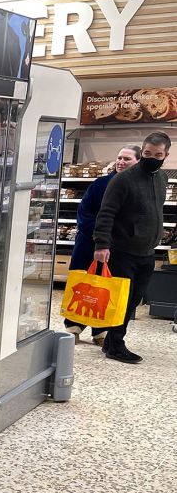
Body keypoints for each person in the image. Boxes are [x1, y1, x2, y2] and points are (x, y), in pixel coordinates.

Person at [93, 131, 170, 364]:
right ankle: (116, 344)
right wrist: (102, 244)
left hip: (147, 251)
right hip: (123, 250)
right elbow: (106, 213)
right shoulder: (123, 179)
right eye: (147, 153)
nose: (152, 158)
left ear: (166, 154)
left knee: (135, 299)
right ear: (142, 151)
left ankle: (111, 340)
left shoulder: (162, 178)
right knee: (122, 300)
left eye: (158, 155)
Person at [64, 145, 140, 346]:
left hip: (118, 247)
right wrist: (100, 236)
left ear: (138, 162)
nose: (121, 162)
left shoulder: (137, 187)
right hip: (89, 244)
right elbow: (84, 212)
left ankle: (101, 330)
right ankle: (73, 326)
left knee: (106, 287)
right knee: (82, 283)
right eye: (119, 158)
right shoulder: (100, 184)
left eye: (127, 159)